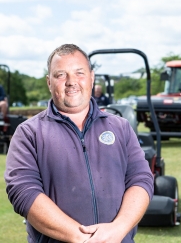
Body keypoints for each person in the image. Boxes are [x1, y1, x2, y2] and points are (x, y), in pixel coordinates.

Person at [4, 44, 154, 243]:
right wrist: (81, 238)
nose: (71, 82)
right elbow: (24, 192)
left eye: (79, 73)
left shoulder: (121, 127)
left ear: (92, 77)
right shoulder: (29, 133)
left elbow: (141, 180)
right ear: (49, 82)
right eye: (61, 75)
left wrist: (118, 229)